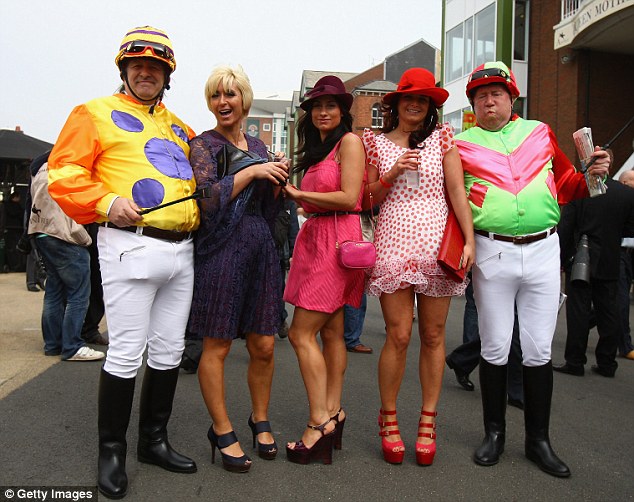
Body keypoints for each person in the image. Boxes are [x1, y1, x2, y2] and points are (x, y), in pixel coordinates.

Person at [48, 26, 199, 499]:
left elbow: (209, 174)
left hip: (182, 251)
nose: (146, 72)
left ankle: (153, 441)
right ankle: (111, 451)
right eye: (138, 65)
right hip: (130, 244)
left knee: (170, 351)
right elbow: (65, 171)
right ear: (124, 68)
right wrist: (106, 200)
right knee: (126, 350)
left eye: (155, 66)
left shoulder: (180, 127)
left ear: (167, 74)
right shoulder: (92, 113)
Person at [455, 61, 610, 478]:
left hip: (544, 250)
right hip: (492, 252)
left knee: (540, 350)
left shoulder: (539, 132)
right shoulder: (460, 144)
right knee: (494, 347)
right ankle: (494, 434)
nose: (490, 100)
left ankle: (538, 441)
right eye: (482, 95)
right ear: (473, 104)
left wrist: (592, 171)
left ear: (512, 98)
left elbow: (568, 184)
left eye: (498, 93)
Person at [362, 67, 474, 466]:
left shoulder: (443, 138)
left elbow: (457, 190)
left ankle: (428, 421)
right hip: (393, 241)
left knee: (433, 333)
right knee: (399, 335)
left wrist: (470, 239)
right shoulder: (374, 142)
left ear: (430, 107)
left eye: (423, 99)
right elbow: (367, 199)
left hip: (436, 244)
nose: (415, 103)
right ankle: (389, 419)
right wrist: (391, 173)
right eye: (409, 97)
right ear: (395, 103)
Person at [187, 65, 289, 473]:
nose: (223, 102)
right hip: (220, 252)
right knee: (218, 345)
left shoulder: (261, 147)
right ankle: (222, 428)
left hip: (260, 249)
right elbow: (206, 201)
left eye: (230, 94)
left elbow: (269, 209)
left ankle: (258, 418)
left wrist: (276, 177)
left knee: (264, 345)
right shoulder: (202, 145)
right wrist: (251, 171)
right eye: (215, 95)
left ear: (244, 98)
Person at [282, 75, 366, 465]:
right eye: (317, 106)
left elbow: (350, 196)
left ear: (343, 110)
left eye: (331, 105)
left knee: (300, 333)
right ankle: (333, 412)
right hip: (320, 239)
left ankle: (318, 424)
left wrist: (301, 195)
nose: (323, 111)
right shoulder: (318, 149)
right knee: (332, 332)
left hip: (336, 241)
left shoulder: (350, 142)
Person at [554, 172, 634, 377]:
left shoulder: (579, 191)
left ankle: (575, 361)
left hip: (582, 256)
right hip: (610, 257)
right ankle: (607, 362)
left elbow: (566, 226)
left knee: (578, 311)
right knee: (609, 311)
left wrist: (560, 260)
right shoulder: (625, 194)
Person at [27, 153, 104, 362]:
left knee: (53, 292)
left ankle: (53, 345)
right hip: (66, 235)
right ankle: (72, 346)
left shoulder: (40, 166)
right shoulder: (70, 165)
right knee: (78, 295)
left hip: (41, 231)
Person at [445, 278, 524, 409]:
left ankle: (462, 359)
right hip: (496, 266)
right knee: (509, 321)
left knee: (503, 324)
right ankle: (516, 390)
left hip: (518, 267)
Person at [273, 197, 299, 339]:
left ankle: (281, 319)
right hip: (265, 250)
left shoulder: (288, 202)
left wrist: (293, 252)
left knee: (278, 288)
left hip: (280, 253)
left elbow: (293, 228)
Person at [616, 169, 634, 360]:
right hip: (618, 253)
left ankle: (582, 324)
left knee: (614, 302)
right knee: (621, 300)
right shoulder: (620, 200)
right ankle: (625, 345)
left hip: (628, 254)